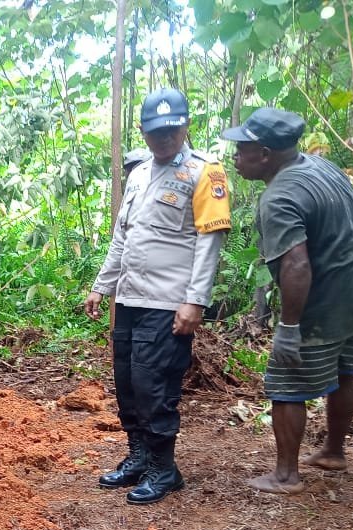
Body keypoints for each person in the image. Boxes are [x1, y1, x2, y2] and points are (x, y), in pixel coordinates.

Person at [85, 88, 232, 504]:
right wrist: (102, 285)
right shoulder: (138, 173)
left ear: (186, 126)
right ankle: (139, 456)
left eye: (172, 129)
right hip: (130, 298)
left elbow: (210, 242)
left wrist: (195, 300)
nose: (164, 138)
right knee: (127, 382)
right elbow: (123, 238)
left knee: (153, 386)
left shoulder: (206, 172)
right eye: (155, 131)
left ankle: (164, 469)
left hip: (169, 302)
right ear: (142, 131)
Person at [224, 108, 353, 493]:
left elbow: (296, 264)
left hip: (323, 301)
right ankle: (333, 451)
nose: (235, 156)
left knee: (285, 382)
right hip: (351, 295)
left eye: (242, 149)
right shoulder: (321, 166)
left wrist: (289, 328)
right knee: (345, 370)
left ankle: (285, 475)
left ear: (265, 154)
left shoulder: (280, 196)